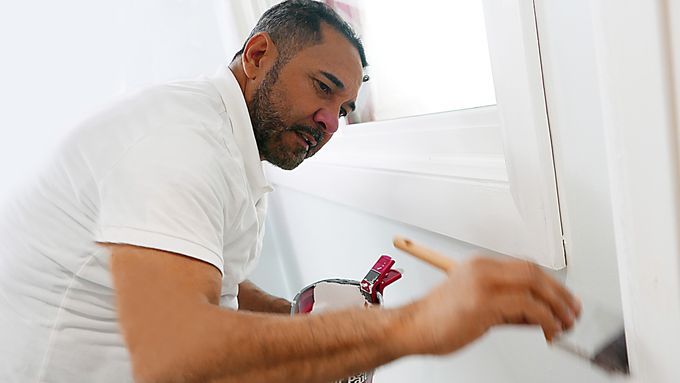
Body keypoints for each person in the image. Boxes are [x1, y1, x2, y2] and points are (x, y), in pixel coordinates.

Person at [0, 1, 581, 382]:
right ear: (257, 55)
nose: (330, 121)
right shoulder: (179, 145)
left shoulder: (223, 136)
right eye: (323, 89)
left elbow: (201, 269)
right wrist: (418, 324)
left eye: (344, 110)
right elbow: (173, 355)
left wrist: (285, 315)